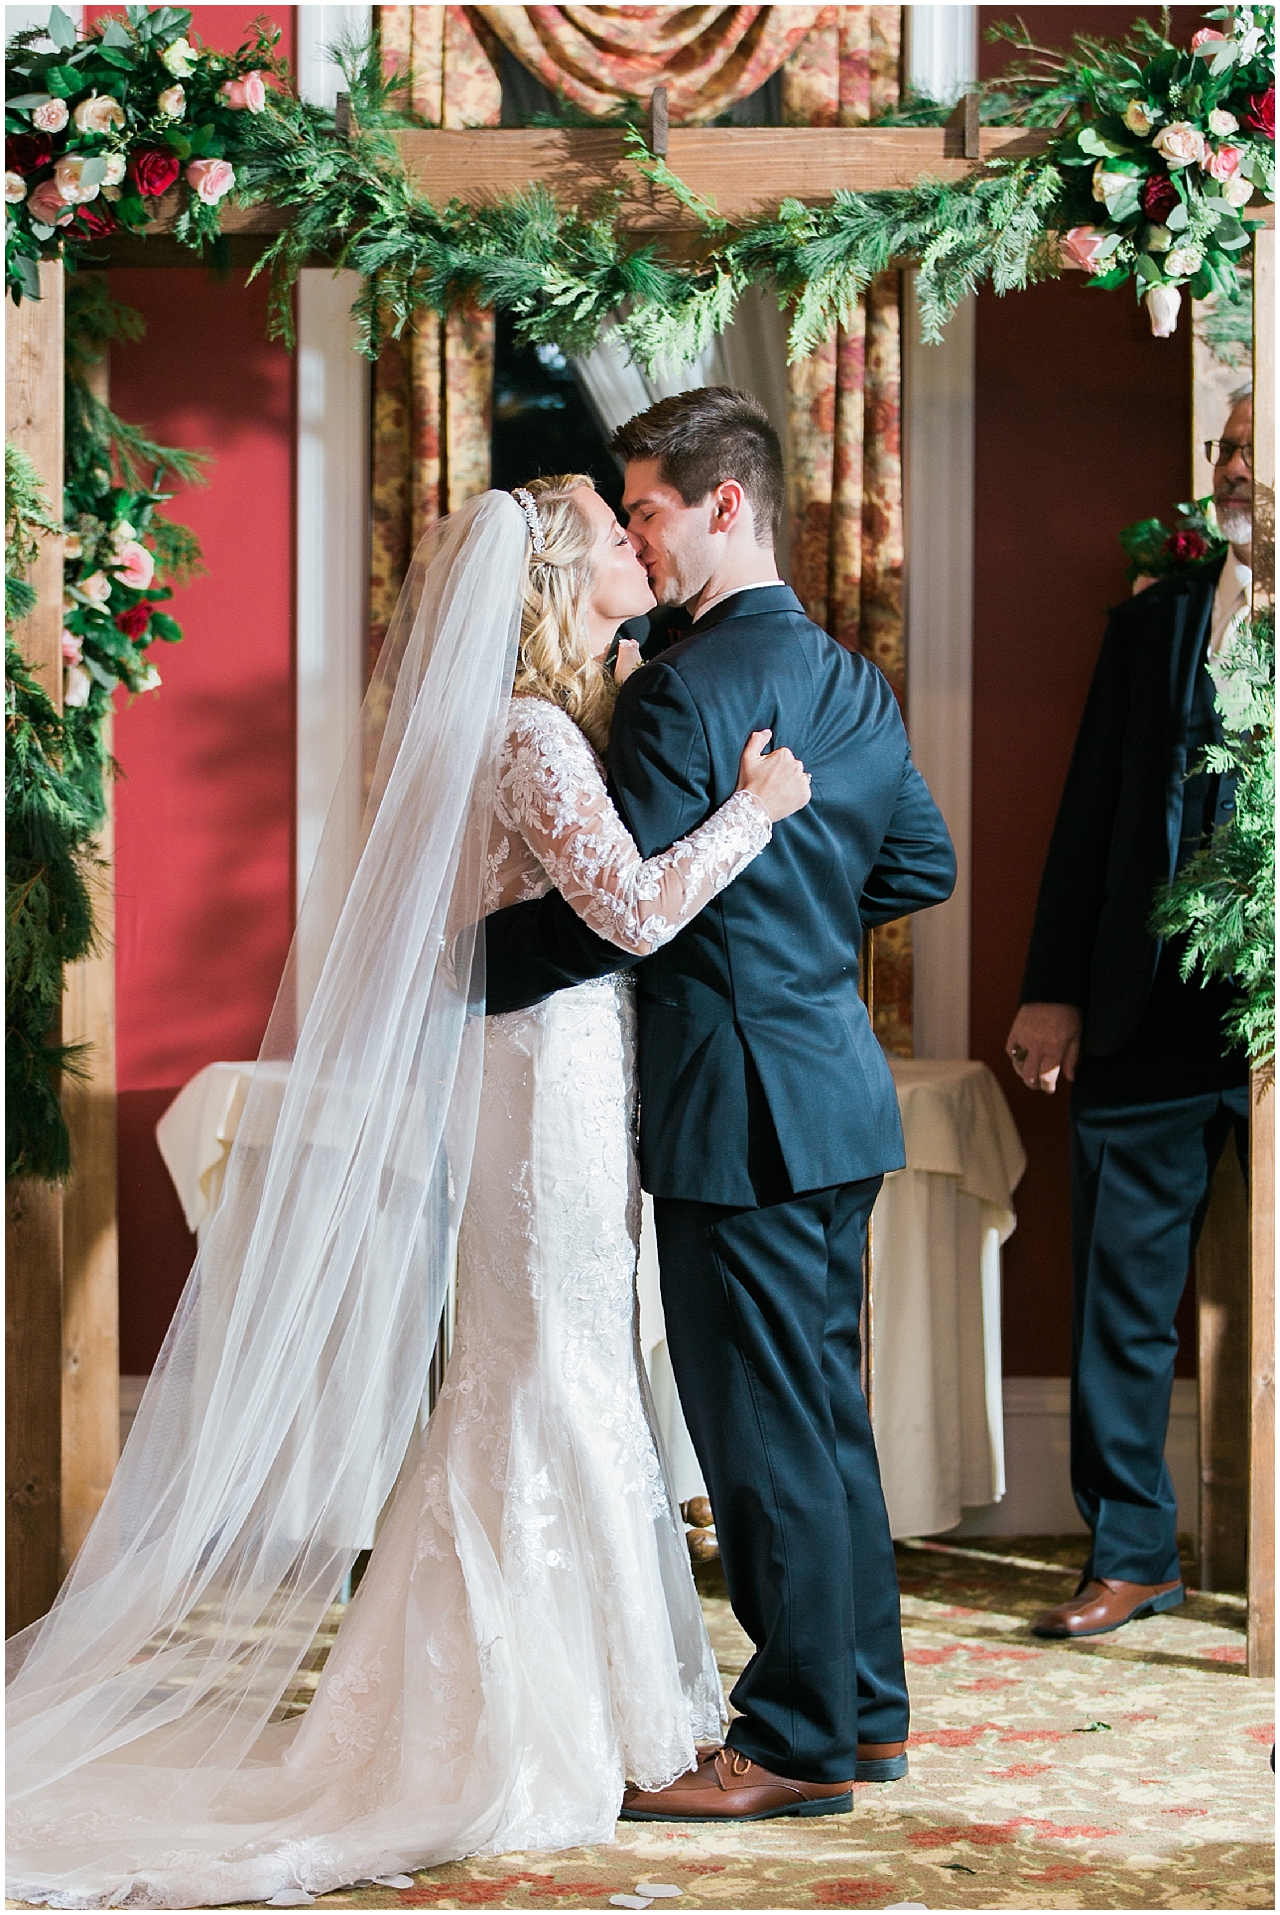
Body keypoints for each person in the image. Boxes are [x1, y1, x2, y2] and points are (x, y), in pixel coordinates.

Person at [7, 476, 813, 1908]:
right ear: (561, 584)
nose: (641, 548)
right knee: (547, 1367)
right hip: (540, 1082)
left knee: (537, 1366)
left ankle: (534, 1692)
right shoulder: (531, 732)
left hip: (539, 1068)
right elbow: (626, 908)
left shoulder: (537, 722)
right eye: (616, 539)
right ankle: (517, 1715)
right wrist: (753, 812)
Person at [482, 388, 957, 1820]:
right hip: (833, 1091)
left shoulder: (680, 690)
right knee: (822, 1418)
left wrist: (448, 964)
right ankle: (864, 1709)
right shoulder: (853, 680)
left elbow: (618, 914)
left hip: (733, 1107)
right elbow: (918, 863)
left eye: (646, 508)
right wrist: (802, 935)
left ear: (726, 504)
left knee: (756, 1434)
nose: (635, 531)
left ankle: (798, 1739)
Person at [1005, 391, 1254, 1641]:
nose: (1233, 468)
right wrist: (1051, 986)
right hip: (1145, 1014)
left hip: (1273, 1020)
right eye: (1223, 447)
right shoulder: (1152, 628)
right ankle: (1130, 1553)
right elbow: (1090, 812)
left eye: (1255, 449)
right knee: (1119, 1293)